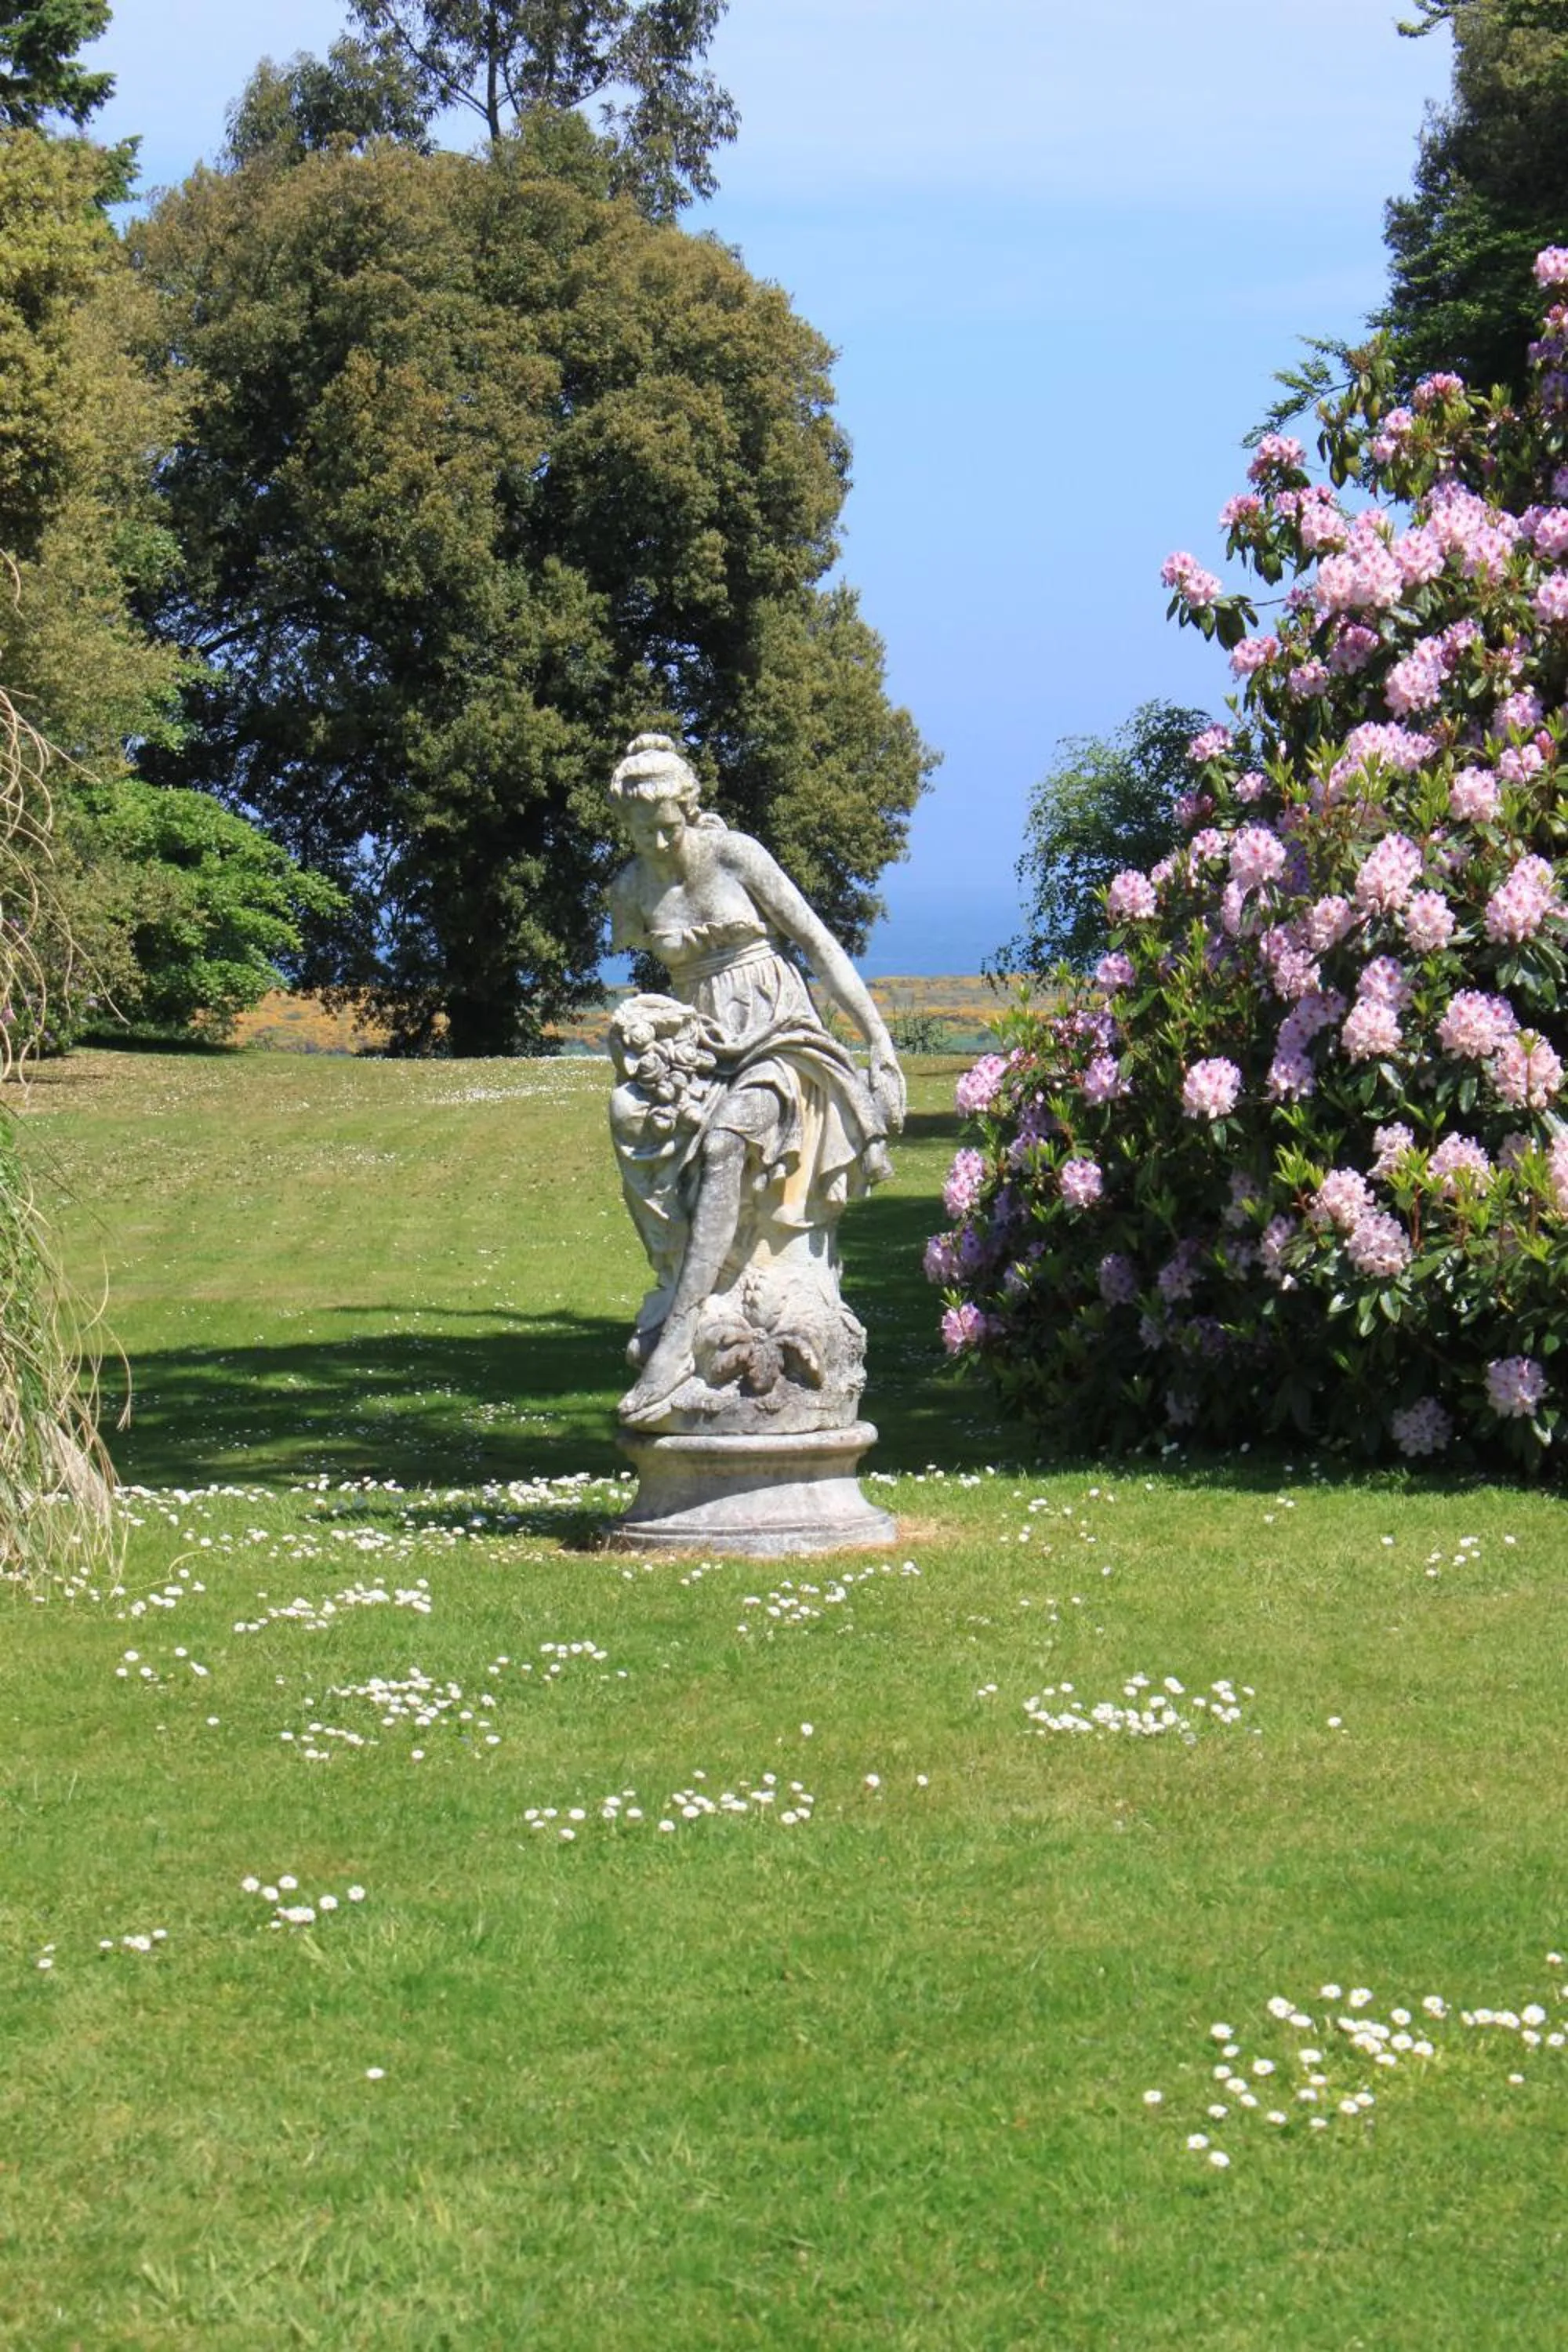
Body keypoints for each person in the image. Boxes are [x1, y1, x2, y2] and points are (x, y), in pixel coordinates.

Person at [606, 733, 905, 1427]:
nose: (655, 840)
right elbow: (655, 984)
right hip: (701, 1045)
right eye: (640, 829)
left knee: (722, 1146)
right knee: (631, 1118)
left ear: (688, 808)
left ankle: (680, 1334)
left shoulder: (736, 856)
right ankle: (678, 1278)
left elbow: (818, 944)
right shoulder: (631, 887)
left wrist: (878, 1038)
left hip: (780, 1037)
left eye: (666, 825)